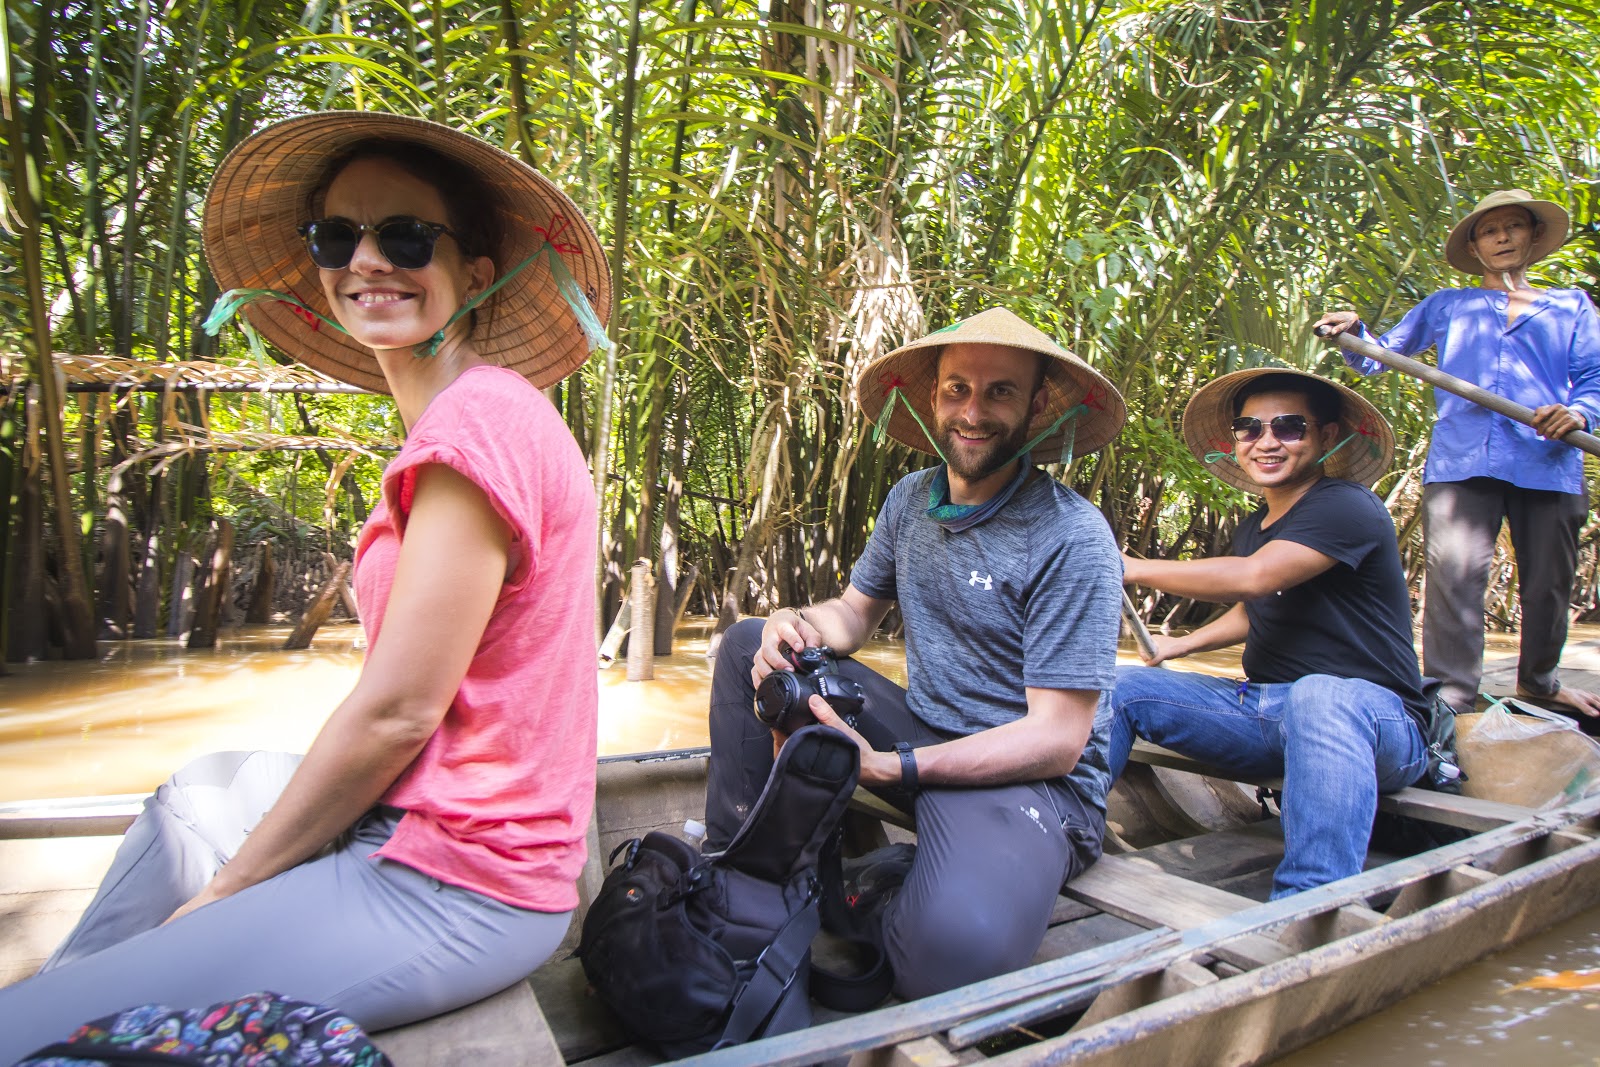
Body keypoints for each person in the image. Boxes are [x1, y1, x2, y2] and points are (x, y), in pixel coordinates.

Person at [0, 111, 611, 1061]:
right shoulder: (462, 415)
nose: (369, 258)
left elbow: (398, 712)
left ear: (476, 276)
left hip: (460, 879)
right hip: (411, 825)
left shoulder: (479, 423)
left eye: (406, 235)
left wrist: (225, 895)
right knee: (193, 796)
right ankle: (99, 1009)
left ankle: (76, 1017)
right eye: (338, 236)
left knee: (21, 1025)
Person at [704, 307, 1127, 1000]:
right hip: (925, 728)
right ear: (932, 397)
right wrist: (793, 620)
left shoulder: (1072, 537)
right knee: (750, 643)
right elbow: (852, 615)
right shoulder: (909, 500)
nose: (973, 411)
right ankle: (739, 872)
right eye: (958, 388)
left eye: (1001, 392)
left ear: (1037, 405)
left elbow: (1058, 739)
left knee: (953, 957)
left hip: (1031, 783)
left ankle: (881, 895)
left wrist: (892, 766)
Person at [1113, 368, 1430, 898]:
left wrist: (1133, 566)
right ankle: (1060, 834)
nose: (1267, 441)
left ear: (1326, 437)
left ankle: (1310, 904)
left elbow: (1257, 577)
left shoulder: (1347, 506)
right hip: (1265, 714)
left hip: (1377, 723)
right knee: (1119, 688)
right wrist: (1180, 644)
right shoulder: (1252, 528)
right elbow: (1253, 607)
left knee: (1319, 694)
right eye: (1250, 428)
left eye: (1289, 427)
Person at [1316, 189, 1600, 725]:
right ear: (1476, 245)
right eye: (1489, 231)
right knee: (1455, 578)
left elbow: (1594, 378)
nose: (1501, 237)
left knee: (1548, 583)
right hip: (1462, 461)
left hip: (1549, 458)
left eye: (1513, 227)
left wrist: (1580, 413)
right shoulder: (1449, 306)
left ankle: (1539, 682)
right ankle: (1450, 700)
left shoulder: (1570, 306)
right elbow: (1379, 358)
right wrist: (1354, 334)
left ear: (1532, 237)